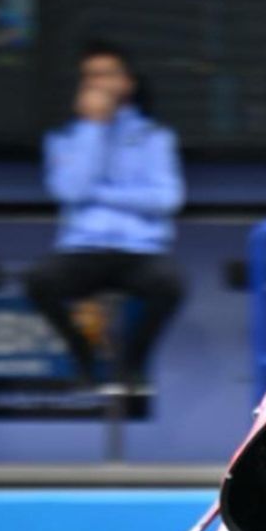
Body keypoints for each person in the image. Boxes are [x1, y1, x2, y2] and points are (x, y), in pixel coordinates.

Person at [27, 41, 186, 392]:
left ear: (128, 83)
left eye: (107, 74)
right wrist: (94, 127)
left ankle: (132, 364)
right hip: (82, 249)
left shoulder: (154, 137)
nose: (98, 84)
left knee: (170, 284)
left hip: (140, 251)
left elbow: (166, 199)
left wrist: (99, 195)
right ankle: (82, 353)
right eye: (91, 77)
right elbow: (70, 191)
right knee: (40, 281)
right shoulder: (65, 138)